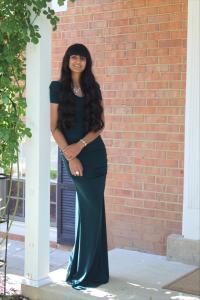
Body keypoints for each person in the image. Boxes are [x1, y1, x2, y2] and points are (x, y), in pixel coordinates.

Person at [49, 43, 109, 289]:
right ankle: (85, 270)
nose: (78, 61)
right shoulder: (56, 88)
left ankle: (90, 269)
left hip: (94, 154)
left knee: (93, 210)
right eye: (74, 57)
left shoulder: (93, 87)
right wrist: (70, 154)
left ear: (87, 62)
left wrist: (81, 145)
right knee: (90, 210)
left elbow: (100, 125)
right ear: (67, 60)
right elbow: (54, 127)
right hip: (72, 155)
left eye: (83, 58)